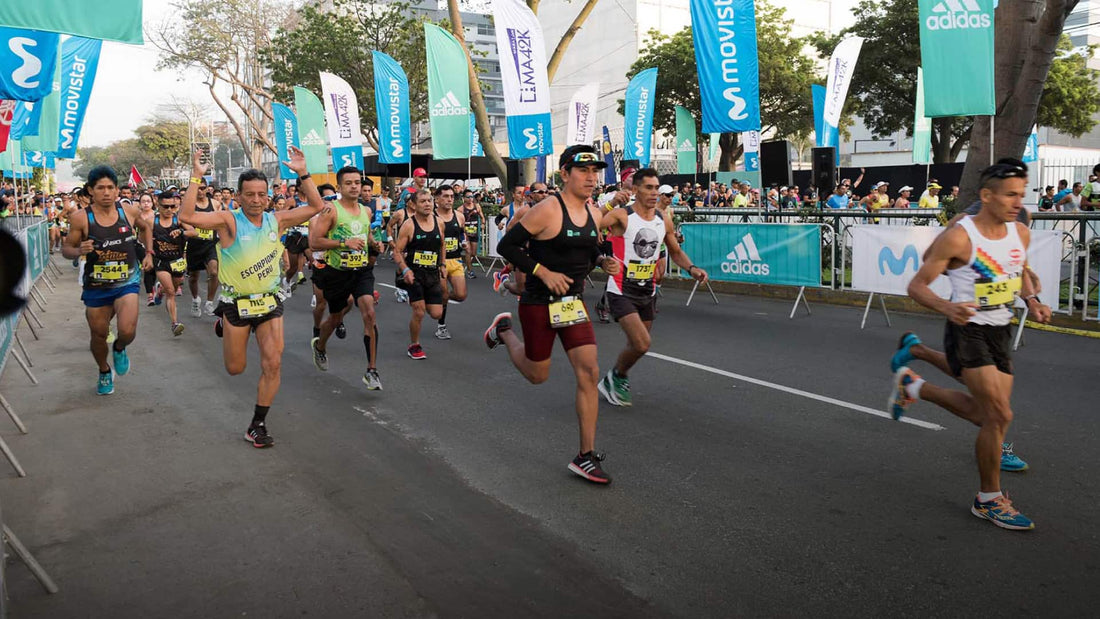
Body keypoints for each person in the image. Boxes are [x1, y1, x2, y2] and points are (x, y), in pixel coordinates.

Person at [889, 160, 1051, 531]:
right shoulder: (959, 236)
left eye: (1021, 195)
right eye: (1010, 195)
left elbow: (1018, 271)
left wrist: (1032, 301)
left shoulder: (1020, 232)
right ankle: (989, 498)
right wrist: (948, 306)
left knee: (987, 415)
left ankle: (913, 385)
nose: (1017, 202)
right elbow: (916, 286)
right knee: (999, 417)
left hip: (1000, 329)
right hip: (967, 329)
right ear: (986, 195)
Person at [483, 144, 621, 485]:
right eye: (583, 171)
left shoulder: (592, 211)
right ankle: (504, 332)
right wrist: (542, 272)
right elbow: (507, 247)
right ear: (565, 174)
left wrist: (604, 262)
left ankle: (585, 456)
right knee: (537, 375)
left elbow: (590, 250)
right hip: (538, 302)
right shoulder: (547, 209)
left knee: (589, 372)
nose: (591, 178)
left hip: (571, 303)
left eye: (595, 172)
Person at [180, 146, 326, 448]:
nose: (257, 200)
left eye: (262, 194)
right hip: (236, 305)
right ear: (239, 195)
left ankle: (257, 424)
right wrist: (196, 176)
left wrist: (302, 172)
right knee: (236, 369)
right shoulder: (228, 221)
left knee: (273, 363)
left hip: (270, 302)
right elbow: (187, 216)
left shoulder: (278, 220)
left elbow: (316, 206)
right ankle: (222, 321)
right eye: (250, 194)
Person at [597, 169, 708, 407]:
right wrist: (607, 207)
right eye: (648, 187)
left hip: (647, 291)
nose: (654, 192)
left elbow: (675, 251)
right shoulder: (621, 216)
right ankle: (616, 376)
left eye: (656, 188)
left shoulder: (662, 219)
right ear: (635, 190)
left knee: (639, 343)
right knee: (642, 343)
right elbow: (587, 225)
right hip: (620, 289)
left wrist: (692, 269)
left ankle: (616, 376)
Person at [61, 166, 154, 395]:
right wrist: (78, 250)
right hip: (96, 286)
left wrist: (149, 253)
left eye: (110, 187)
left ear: (116, 190)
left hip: (127, 282)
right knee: (98, 335)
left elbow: (146, 227)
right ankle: (104, 370)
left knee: (127, 331)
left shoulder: (128, 212)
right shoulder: (81, 218)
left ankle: (120, 347)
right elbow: (66, 248)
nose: (106, 192)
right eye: (100, 188)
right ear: (91, 190)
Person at [308, 166, 384, 390]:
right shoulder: (330, 210)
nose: (354, 186)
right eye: (348, 183)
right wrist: (343, 243)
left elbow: (366, 233)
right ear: (339, 187)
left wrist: (374, 243)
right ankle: (320, 346)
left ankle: (372, 370)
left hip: (361, 271)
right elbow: (315, 242)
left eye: (357, 183)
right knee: (335, 317)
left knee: (369, 312)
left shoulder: (366, 211)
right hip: (336, 273)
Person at [393, 188, 446, 360]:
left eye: (429, 200)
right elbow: (397, 251)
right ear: (413, 205)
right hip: (414, 273)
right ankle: (414, 345)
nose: (427, 204)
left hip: (432, 273)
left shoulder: (439, 223)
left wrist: (443, 264)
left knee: (436, 313)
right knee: (419, 311)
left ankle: (419, 300)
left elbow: (442, 245)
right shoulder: (409, 225)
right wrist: (405, 269)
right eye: (423, 201)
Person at [150, 191, 190, 336]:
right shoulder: (152, 221)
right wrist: (149, 252)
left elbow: (194, 232)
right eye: (165, 207)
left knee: (175, 284)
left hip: (177, 261)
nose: (169, 210)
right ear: (158, 205)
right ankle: (174, 323)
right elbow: (144, 239)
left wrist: (181, 232)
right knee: (171, 292)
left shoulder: (178, 220)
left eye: (172, 206)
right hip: (161, 262)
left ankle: (159, 291)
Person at [432, 184, 468, 340]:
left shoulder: (459, 216)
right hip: (439, 261)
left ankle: (438, 298)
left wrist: (464, 241)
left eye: (452, 196)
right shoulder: (431, 216)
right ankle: (441, 326)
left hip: (455, 259)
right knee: (444, 292)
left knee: (461, 295)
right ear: (437, 199)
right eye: (446, 196)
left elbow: (461, 234)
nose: (449, 199)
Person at [186, 178, 223, 318]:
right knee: (193, 277)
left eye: (203, 188)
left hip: (211, 244)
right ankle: (195, 299)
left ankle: (209, 302)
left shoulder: (215, 204)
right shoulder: (189, 205)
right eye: (197, 188)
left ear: (207, 189)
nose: (200, 191)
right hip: (194, 245)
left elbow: (222, 222)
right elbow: (182, 219)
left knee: (214, 272)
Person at [460, 189, 485, 277]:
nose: (470, 199)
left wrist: (482, 224)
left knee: (473, 253)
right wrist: (463, 230)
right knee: (468, 251)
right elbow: (458, 221)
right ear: (464, 198)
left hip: (474, 232)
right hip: (465, 233)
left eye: (472, 196)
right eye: (468, 197)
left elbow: (482, 217)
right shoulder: (461, 209)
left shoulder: (477, 206)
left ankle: (464, 263)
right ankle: (470, 271)